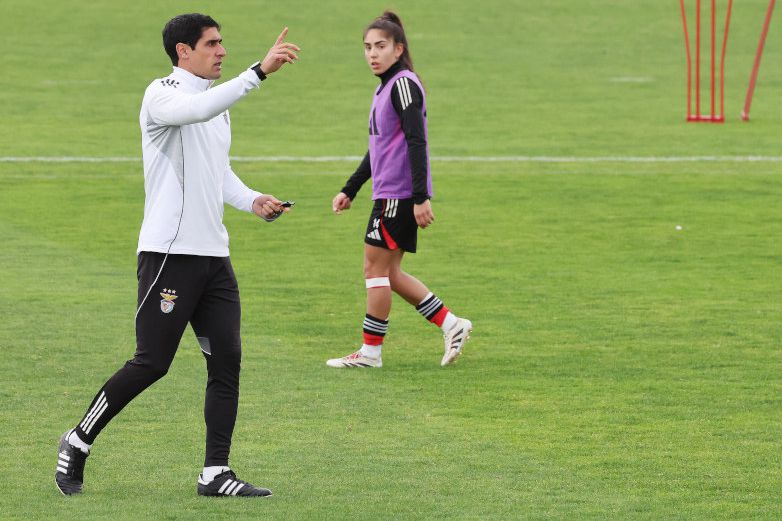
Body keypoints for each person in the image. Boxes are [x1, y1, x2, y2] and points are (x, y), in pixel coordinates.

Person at [55, 13, 299, 497]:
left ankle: (215, 473)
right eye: (212, 44)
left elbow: (218, 170)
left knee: (226, 360)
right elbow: (196, 112)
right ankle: (78, 439)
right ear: (183, 51)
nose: (222, 52)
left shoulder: (214, 103)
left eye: (223, 43)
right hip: (170, 255)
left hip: (214, 258)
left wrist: (252, 200)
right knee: (152, 363)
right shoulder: (162, 95)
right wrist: (259, 72)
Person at [327, 11, 472, 369]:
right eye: (367, 47)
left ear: (398, 48)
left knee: (373, 271)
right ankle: (452, 324)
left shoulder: (404, 85)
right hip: (389, 193)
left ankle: (370, 353)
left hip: (399, 195)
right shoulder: (385, 87)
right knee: (389, 274)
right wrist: (352, 188)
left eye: (380, 46)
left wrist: (421, 197)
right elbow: (378, 148)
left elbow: (416, 141)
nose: (372, 54)